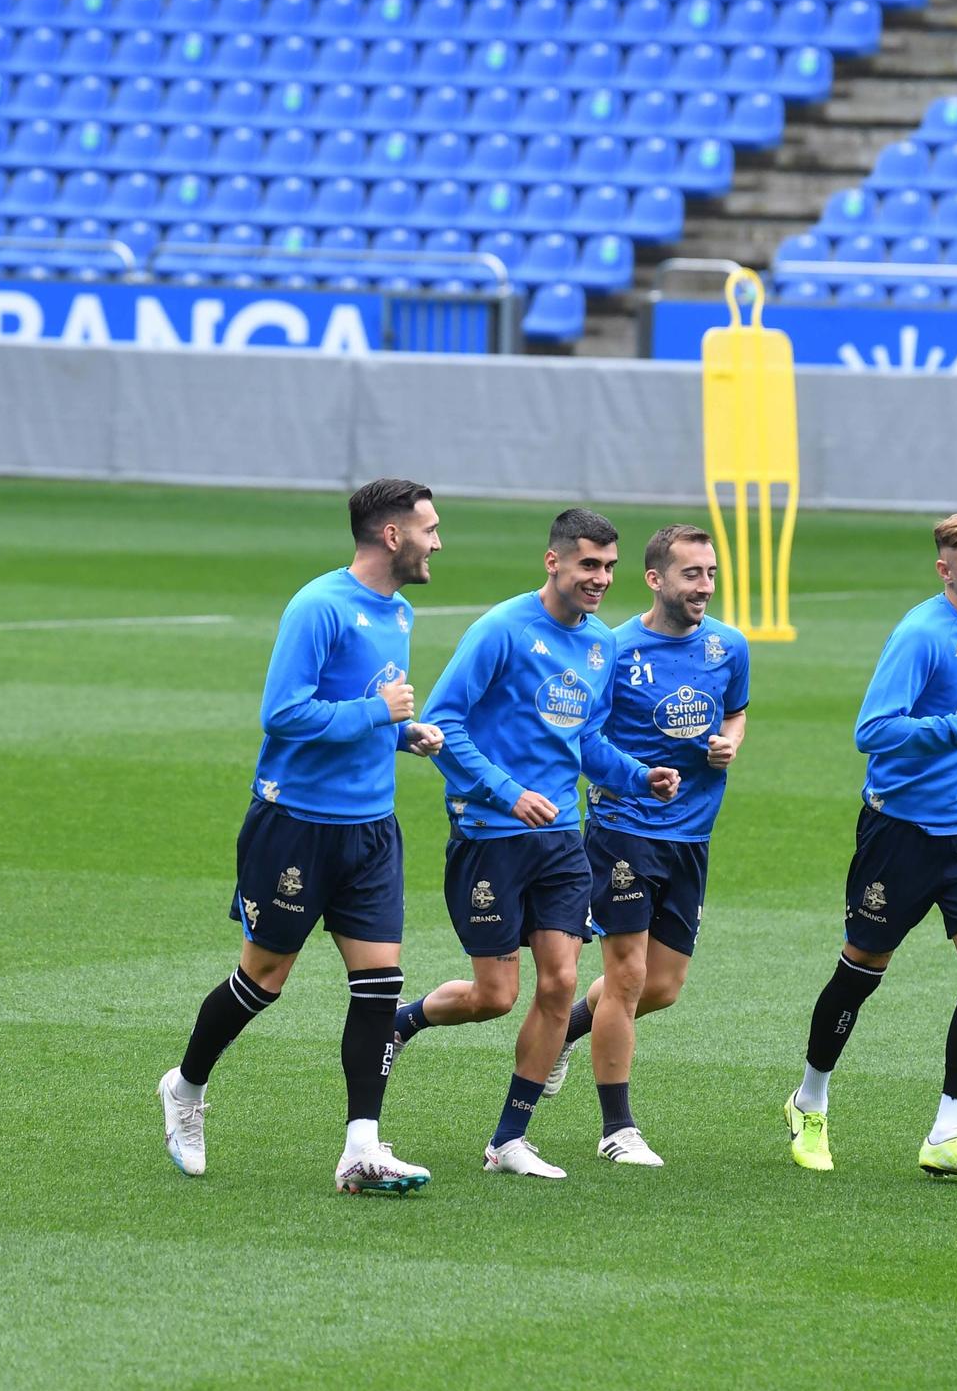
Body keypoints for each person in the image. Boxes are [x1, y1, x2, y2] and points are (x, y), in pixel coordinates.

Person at [157, 478, 446, 1194]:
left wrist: (402, 732)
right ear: (391, 536)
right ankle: (186, 1088)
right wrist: (377, 711)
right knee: (264, 978)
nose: (438, 540)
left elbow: (360, 714)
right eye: (430, 528)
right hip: (295, 826)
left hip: (372, 829)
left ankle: (362, 1147)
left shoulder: (401, 609)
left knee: (380, 983)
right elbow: (283, 713)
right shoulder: (318, 607)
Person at [394, 509, 679, 1179]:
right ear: (554, 562)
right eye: (588, 565)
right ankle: (402, 1023)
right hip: (491, 834)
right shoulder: (502, 629)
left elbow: (584, 741)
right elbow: (441, 723)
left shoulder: (601, 645)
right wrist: (506, 792)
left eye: (609, 567)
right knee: (495, 994)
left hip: (560, 840)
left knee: (560, 981)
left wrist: (640, 776)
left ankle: (508, 1139)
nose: (600, 579)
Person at [783, 511, 957, 1183]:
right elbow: (874, 730)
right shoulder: (921, 634)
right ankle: (809, 1099)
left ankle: (949, 1131)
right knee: (862, 970)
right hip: (902, 835)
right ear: (946, 570)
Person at [548, 524, 750, 1167]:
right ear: (656, 579)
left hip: (693, 833)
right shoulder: (613, 649)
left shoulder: (729, 646)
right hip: (624, 827)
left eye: (712, 574)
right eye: (692, 574)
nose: (705, 587)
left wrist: (730, 741)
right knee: (626, 975)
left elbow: (736, 711)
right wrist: (636, 778)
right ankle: (617, 1128)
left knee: (660, 987)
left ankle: (562, 1034)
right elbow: (583, 736)